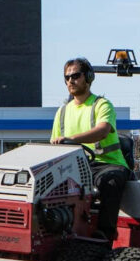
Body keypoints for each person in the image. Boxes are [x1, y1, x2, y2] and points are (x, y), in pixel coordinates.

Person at [50, 57, 131, 239]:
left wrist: (70, 139)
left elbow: (102, 131)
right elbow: (54, 144)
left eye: (76, 75)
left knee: (108, 182)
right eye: (67, 77)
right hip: (75, 167)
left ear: (89, 77)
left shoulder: (102, 105)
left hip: (108, 165)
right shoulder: (62, 112)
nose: (71, 80)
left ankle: (104, 235)